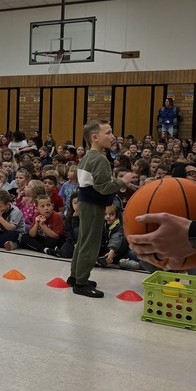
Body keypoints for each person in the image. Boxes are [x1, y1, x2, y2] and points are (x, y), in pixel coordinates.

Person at [70, 120, 125, 297]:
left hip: (85, 203)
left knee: (83, 241)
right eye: (108, 133)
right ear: (95, 137)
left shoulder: (87, 156)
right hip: (93, 205)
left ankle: (75, 276)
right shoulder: (100, 158)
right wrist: (122, 182)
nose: (112, 136)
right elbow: (104, 187)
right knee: (90, 244)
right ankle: (81, 283)